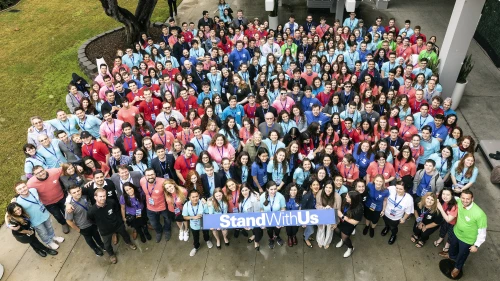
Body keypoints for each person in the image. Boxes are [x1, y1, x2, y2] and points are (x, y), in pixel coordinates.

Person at [440, 190, 487, 278]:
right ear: (460, 197)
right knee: (452, 248)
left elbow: (482, 233)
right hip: (456, 232)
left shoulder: (480, 214)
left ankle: (457, 268)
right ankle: (451, 255)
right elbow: (451, 198)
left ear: (472, 199)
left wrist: (476, 245)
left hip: (467, 240)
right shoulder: (458, 201)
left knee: (462, 255)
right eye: (463, 198)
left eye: (468, 199)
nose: (465, 201)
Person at [87, 188, 137, 264]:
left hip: (117, 225)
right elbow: (91, 220)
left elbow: (117, 211)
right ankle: (111, 255)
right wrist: (101, 225)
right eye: (100, 196)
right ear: (95, 197)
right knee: (107, 245)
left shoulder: (111, 202)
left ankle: (129, 243)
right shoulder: (91, 211)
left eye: (104, 196)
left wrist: (119, 221)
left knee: (125, 234)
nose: (103, 198)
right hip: (105, 231)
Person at [27, 166, 71, 233]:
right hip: (48, 203)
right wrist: (15, 198)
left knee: (66, 211)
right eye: (38, 173)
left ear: (44, 169)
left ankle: (70, 221)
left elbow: (65, 167)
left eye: (41, 171)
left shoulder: (54, 172)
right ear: (34, 175)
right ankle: (63, 224)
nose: (41, 173)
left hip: (61, 197)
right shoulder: (31, 183)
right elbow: (24, 190)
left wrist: (77, 167)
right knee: (57, 215)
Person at [65, 185, 105, 255]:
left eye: (78, 191)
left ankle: (101, 244)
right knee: (89, 239)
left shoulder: (84, 197)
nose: (77, 193)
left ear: (80, 189)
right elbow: (68, 221)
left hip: (92, 222)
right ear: (70, 194)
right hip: (83, 226)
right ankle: (95, 248)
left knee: (96, 234)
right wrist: (78, 230)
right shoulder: (70, 207)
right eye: (74, 192)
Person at [381, 180, 414, 244]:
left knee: (393, 227)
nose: (398, 190)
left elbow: (408, 211)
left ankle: (393, 235)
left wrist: (403, 219)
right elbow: (382, 188)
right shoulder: (391, 189)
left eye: (401, 189)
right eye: (397, 188)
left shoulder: (409, 199)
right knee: (386, 222)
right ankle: (386, 228)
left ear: (405, 189)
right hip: (386, 213)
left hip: (396, 218)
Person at [183, 189, 213, 256]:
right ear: (189, 198)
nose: (195, 198)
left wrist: (208, 206)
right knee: (195, 237)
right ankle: (196, 247)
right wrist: (193, 217)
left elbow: (208, 213)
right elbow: (184, 217)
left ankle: (207, 240)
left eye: (196, 196)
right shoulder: (186, 205)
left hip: (204, 222)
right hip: (194, 225)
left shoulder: (203, 203)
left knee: (206, 233)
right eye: (193, 197)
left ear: (199, 196)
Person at [335, 190, 363, 257]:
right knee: (336, 229)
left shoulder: (359, 208)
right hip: (341, 221)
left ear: (353, 199)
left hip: (349, 224)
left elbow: (355, 221)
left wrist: (342, 216)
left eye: (348, 197)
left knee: (345, 238)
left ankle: (350, 248)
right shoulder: (346, 201)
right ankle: (341, 239)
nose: (345, 197)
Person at [260, 181, 286, 249]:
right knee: (269, 230)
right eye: (271, 189)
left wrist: (281, 220)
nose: (273, 191)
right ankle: (271, 239)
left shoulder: (280, 196)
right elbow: (261, 209)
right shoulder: (262, 197)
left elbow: (283, 208)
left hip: (277, 217)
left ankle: (277, 236)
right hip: (267, 218)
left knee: (277, 229)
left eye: (275, 189)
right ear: (267, 189)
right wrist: (263, 221)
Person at [315, 180, 341, 249]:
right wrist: (324, 208)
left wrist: (336, 222)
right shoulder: (320, 193)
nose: (328, 189)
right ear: (324, 187)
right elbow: (317, 205)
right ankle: (320, 241)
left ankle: (327, 242)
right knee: (321, 229)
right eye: (327, 187)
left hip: (331, 216)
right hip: (321, 214)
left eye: (330, 188)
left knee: (330, 230)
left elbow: (338, 210)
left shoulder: (337, 197)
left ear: (333, 189)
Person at [434, 188, 458, 255]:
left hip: (453, 224)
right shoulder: (444, 201)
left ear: (452, 195)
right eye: (443, 194)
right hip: (445, 221)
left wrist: (440, 209)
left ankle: (447, 245)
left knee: (450, 235)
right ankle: (441, 238)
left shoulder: (455, 206)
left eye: (448, 195)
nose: (445, 196)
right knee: (443, 230)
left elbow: (448, 219)